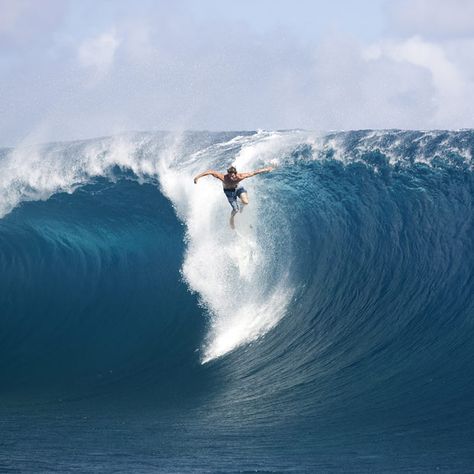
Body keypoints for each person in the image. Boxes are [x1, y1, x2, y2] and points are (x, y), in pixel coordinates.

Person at [193, 165, 273, 228]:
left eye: (233, 176)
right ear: (228, 174)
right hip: (229, 192)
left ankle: (241, 204)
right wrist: (197, 177)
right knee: (235, 209)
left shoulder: (240, 176)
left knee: (246, 202)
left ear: (235, 174)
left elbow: (253, 172)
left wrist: (266, 169)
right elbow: (210, 171)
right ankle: (231, 219)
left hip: (238, 188)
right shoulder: (223, 177)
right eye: (230, 175)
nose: (232, 177)